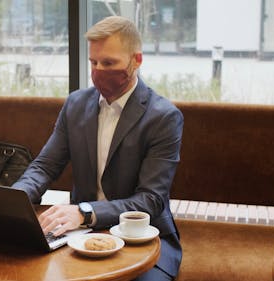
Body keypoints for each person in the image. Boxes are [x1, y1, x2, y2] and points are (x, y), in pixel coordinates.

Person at [12, 16, 183, 281]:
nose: (98, 70)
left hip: (141, 237)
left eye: (109, 63)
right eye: (94, 62)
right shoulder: (76, 104)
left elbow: (150, 200)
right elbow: (45, 166)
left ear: (136, 60)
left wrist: (84, 212)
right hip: (79, 235)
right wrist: (14, 200)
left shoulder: (163, 117)